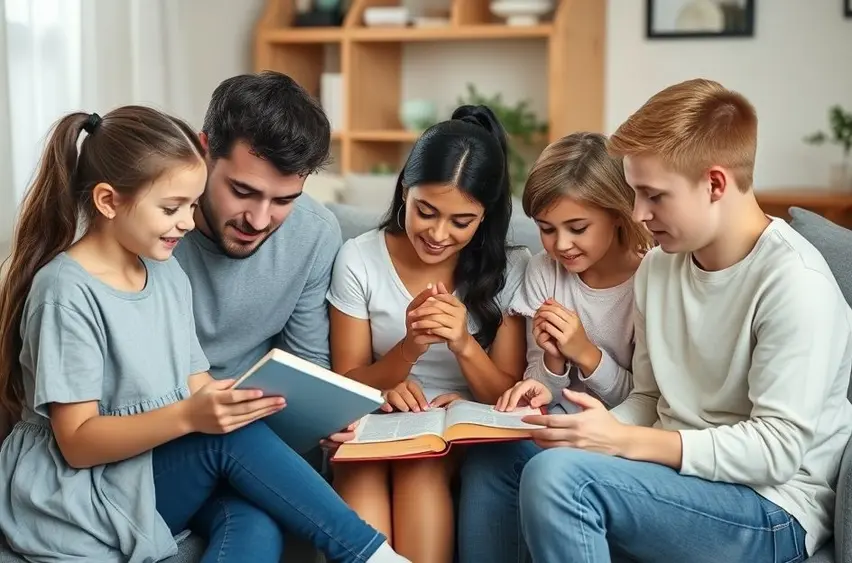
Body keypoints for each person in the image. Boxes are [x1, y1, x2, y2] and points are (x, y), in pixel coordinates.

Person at [0, 106, 411, 563]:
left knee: (255, 518)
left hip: (144, 468)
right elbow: (77, 443)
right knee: (224, 437)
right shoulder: (66, 290)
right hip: (78, 492)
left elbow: (199, 386)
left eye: (192, 206)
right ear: (107, 201)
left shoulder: (166, 273)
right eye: (172, 208)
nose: (189, 223)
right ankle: (373, 555)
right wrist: (193, 417)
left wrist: (301, 412)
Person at [516, 78, 852, 563]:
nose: (637, 213)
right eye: (634, 193)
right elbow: (650, 398)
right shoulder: (659, 267)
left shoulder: (796, 284)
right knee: (508, 455)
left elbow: (777, 452)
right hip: (675, 478)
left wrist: (624, 440)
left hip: (770, 507)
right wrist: (597, 429)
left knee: (560, 478)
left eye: (653, 196)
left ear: (715, 183)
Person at [326, 105, 530, 563]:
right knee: (360, 476)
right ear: (404, 192)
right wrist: (409, 347)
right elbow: (347, 380)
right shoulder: (359, 258)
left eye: (461, 221)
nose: (438, 233)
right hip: (377, 422)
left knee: (420, 471)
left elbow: (510, 393)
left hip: (458, 430)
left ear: (484, 217)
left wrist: (462, 343)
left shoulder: (511, 269)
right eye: (426, 211)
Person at [172, 71, 351, 559]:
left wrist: (326, 419)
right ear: (204, 149)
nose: (259, 220)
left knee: (255, 527)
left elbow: (309, 366)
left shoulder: (315, 234)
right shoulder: (153, 226)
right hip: (161, 434)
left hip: (245, 448)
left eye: (284, 201)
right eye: (244, 191)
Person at [457, 132, 653, 563]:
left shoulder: (649, 280)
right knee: (488, 459)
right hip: (560, 419)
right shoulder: (546, 272)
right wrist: (551, 364)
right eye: (547, 229)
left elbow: (649, 400)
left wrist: (587, 354)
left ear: (618, 214)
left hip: (627, 431)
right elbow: (539, 380)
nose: (561, 244)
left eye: (577, 228)